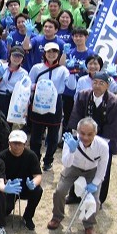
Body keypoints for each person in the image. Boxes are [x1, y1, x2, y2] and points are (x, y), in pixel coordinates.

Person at [48, 117, 110, 234]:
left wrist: (95, 183)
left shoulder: (103, 146)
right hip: (73, 167)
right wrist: (72, 150)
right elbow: (66, 164)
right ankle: (57, 217)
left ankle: (89, 224)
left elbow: (103, 167)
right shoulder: (70, 141)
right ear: (77, 132)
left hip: (92, 170)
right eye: (82, 133)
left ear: (95, 133)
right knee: (60, 191)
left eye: (90, 134)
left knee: (95, 200)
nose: (85, 137)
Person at [66, 72, 117, 204]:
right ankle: (74, 195)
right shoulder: (83, 96)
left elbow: (113, 125)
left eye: (101, 83)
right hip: (83, 138)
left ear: (107, 86)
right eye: (95, 82)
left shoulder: (114, 102)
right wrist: (79, 138)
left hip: (104, 141)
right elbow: (76, 116)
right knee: (78, 166)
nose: (97, 86)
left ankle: (99, 198)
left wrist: (98, 144)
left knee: (103, 168)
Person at [27, 42, 69, 170]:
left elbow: (71, 85)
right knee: (36, 136)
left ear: (58, 54)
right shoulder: (37, 68)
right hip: (39, 102)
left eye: (54, 52)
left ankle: (48, 160)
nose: (51, 54)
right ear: (44, 53)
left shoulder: (62, 70)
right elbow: (28, 83)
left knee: (53, 136)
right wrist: (35, 86)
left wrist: (72, 72)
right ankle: (34, 159)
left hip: (55, 103)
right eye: (49, 51)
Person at [0, 129, 43, 230]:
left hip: (26, 187)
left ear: (25, 144)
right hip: (10, 188)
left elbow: (38, 175)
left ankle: (28, 217)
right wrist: (6, 184)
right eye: (14, 143)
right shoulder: (2, 156)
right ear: (9, 143)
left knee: (38, 190)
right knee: (6, 209)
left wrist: (33, 183)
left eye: (20, 143)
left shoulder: (31, 156)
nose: (17, 146)